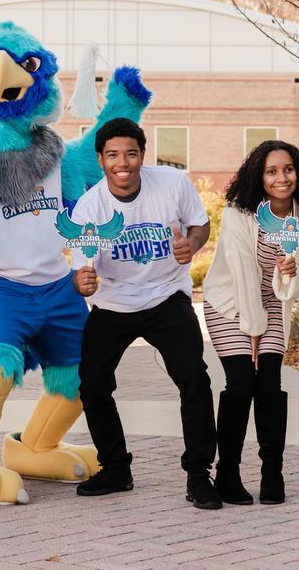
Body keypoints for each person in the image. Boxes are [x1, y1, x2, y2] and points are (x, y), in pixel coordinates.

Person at [71, 118, 221, 510]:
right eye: (114, 155)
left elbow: (200, 227)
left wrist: (191, 245)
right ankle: (116, 468)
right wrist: (83, 283)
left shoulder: (172, 184)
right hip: (115, 302)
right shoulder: (90, 208)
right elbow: (80, 273)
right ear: (101, 160)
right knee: (92, 383)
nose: (124, 163)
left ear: (142, 155)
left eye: (131, 154)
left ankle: (198, 472)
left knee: (193, 377)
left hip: (167, 295)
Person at [202, 140, 299, 506]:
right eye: (271, 171)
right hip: (230, 302)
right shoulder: (239, 214)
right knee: (241, 384)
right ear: (259, 176)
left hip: (275, 302)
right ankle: (228, 473)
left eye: (287, 169)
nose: (281, 177)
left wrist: (291, 273)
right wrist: (254, 328)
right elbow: (241, 272)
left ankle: (273, 472)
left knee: (269, 385)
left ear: (298, 172)